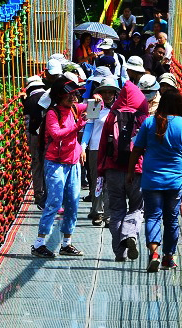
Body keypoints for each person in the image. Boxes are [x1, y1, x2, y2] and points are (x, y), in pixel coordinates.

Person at [127, 89, 182, 272]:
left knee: (152, 216)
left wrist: (130, 172)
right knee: (172, 219)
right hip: (174, 181)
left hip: (151, 179)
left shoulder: (150, 123)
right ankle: (169, 257)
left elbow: (137, 149)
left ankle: (154, 254)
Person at [31, 75, 88, 259]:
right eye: (69, 95)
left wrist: (100, 101)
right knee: (54, 202)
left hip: (72, 163)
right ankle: (39, 244)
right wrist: (78, 126)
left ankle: (66, 244)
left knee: (73, 202)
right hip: (55, 163)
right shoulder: (52, 113)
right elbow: (55, 135)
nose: (73, 98)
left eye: (74, 95)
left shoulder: (73, 109)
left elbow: (88, 106)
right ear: (58, 97)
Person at [96, 77, 150, 262]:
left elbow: (103, 143)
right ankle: (130, 235)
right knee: (136, 208)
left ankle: (120, 252)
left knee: (116, 210)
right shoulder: (144, 118)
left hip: (113, 169)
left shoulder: (112, 116)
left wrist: (100, 169)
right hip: (136, 170)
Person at [81, 75, 118, 226]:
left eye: (111, 92)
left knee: (111, 182)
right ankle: (97, 211)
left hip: (112, 149)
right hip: (96, 148)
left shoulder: (119, 108)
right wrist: (83, 147)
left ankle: (109, 214)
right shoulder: (95, 106)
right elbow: (88, 128)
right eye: (105, 92)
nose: (108, 95)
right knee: (96, 180)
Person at [21, 74, 49, 209]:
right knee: (49, 163)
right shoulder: (49, 96)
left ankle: (38, 193)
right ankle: (49, 193)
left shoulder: (29, 101)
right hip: (50, 135)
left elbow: (27, 123)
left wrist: (28, 139)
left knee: (36, 163)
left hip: (34, 136)